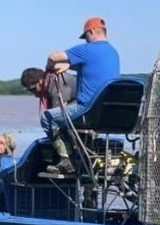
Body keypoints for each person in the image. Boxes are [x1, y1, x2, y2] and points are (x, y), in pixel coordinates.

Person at [42, 16, 120, 174]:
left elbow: (53, 56)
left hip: (87, 109)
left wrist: (49, 67)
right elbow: (93, 67)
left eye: (86, 37)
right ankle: (80, 156)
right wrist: (69, 65)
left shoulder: (87, 49)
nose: (86, 40)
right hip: (108, 113)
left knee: (48, 118)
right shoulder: (113, 53)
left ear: (91, 32)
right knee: (64, 115)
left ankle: (66, 159)